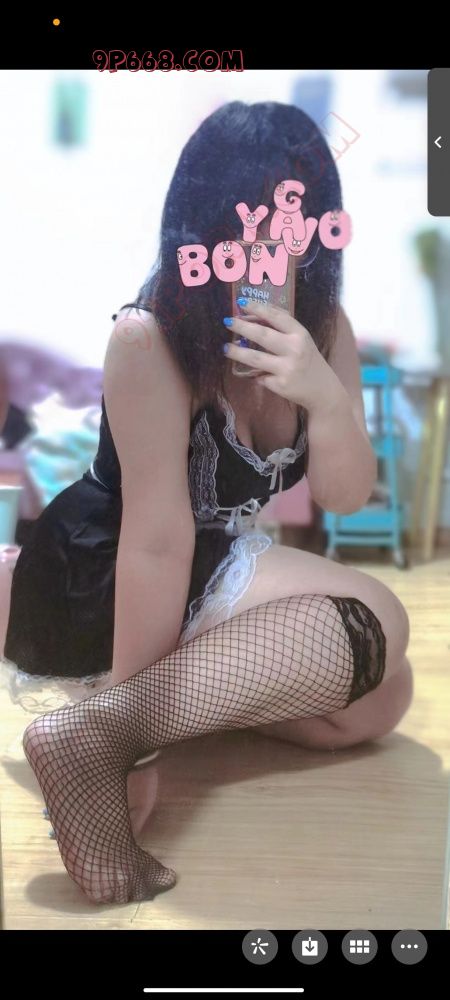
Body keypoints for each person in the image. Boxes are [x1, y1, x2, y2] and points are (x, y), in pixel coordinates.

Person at [11, 100, 413, 905]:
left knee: (377, 702)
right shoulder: (148, 336)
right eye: (242, 224)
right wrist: (131, 748)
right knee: (379, 619)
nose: (264, 248)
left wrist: (324, 397)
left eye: (290, 222)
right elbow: (155, 542)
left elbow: (342, 495)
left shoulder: (325, 329)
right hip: (111, 566)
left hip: (206, 568)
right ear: (199, 229)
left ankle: (131, 709)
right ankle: (100, 730)